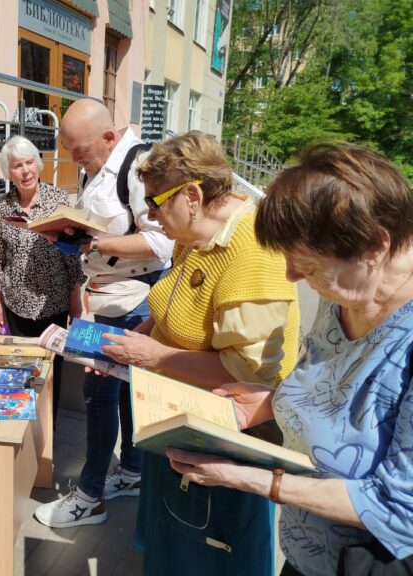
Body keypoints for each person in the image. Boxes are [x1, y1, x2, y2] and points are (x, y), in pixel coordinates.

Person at [164, 142, 413, 575]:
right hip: (305, 555)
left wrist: (249, 478)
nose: (292, 276)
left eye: (307, 265)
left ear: (374, 248)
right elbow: (335, 396)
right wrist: (274, 399)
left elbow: (397, 509)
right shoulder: (347, 292)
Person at [102, 131, 300, 575]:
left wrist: (154, 356)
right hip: (179, 414)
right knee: (173, 539)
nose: (150, 217)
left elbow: (247, 376)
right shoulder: (192, 231)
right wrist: (128, 346)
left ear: (192, 196)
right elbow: (171, 306)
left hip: (226, 436)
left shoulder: (254, 254)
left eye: (154, 203)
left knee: (208, 551)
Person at [34, 99, 173, 528]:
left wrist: (95, 244)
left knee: (99, 394)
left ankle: (89, 496)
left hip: (132, 300)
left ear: (109, 137)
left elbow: (162, 243)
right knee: (125, 391)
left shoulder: (140, 167)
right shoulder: (97, 166)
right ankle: (131, 471)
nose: (76, 161)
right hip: (103, 296)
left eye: (80, 152)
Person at [0, 135, 85, 423]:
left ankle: (47, 433)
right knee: (19, 369)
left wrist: (76, 298)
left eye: (29, 162)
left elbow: (71, 254)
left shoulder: (58, 199)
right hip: (15, 304)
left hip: (53, 304)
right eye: (18, 165)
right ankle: (23, 430)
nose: (26, 171)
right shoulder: (3, 205)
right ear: (9, 172)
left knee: (51, 373)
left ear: (38, 164)